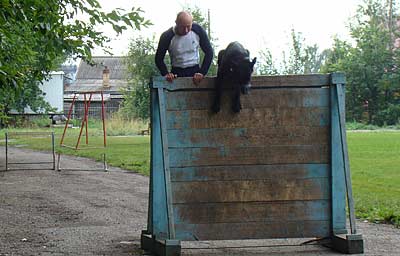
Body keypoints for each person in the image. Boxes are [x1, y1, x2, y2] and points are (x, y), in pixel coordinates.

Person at [155, 11, 213, 85]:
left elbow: (209, 52)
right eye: (182, 27)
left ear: (192, 23)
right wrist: (166, 73)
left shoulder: (198, 30)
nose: (186, 30)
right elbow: (158, 59)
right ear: (176, 23)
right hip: (177, 73)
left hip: (195, 72)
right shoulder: (167, 36)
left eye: (188, 26)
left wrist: (202, 72)